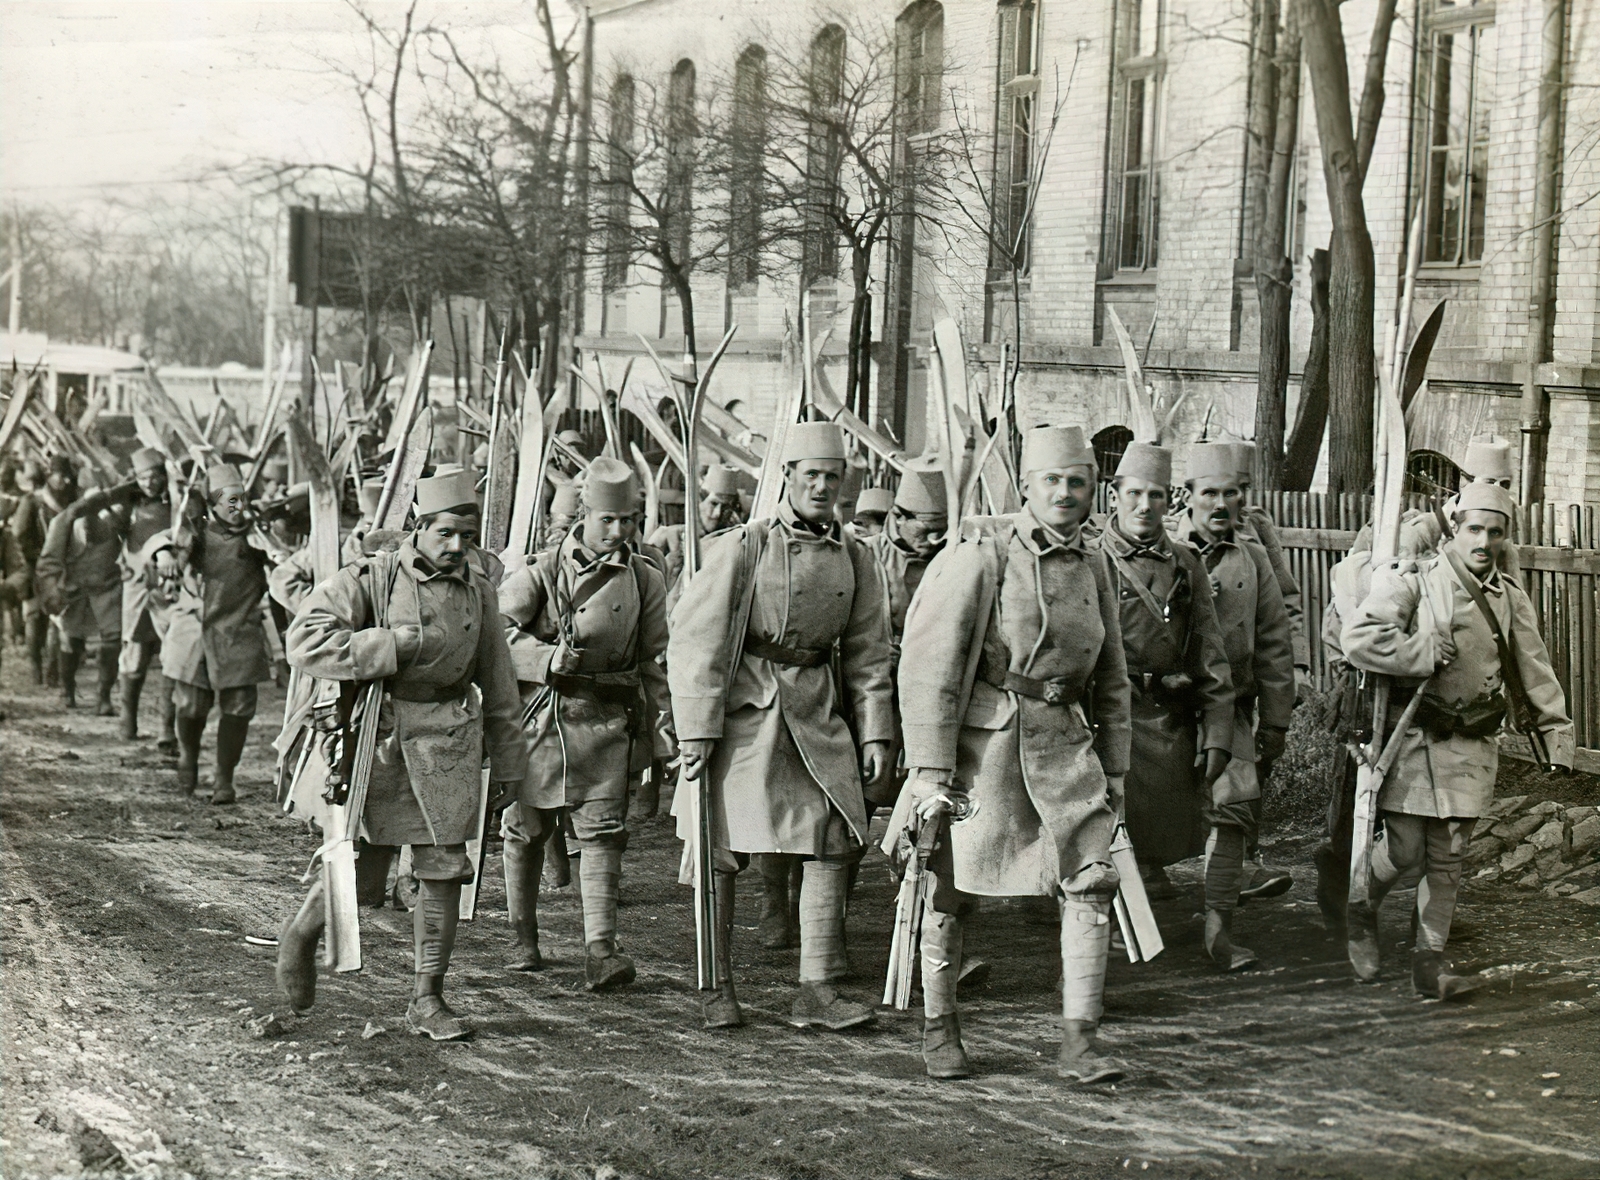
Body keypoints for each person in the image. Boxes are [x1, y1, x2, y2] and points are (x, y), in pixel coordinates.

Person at [893, 425, 1132, 1082]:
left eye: (1077, 481)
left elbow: (1112, 676)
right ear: (1027, 486)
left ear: (1092, 490)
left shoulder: (1096, 563)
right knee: (950, 888)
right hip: (987, 749)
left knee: (1091, 883)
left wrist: (1115, 766)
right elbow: (930, 666)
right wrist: (930, 771)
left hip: (1067, 747)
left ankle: (1080, 1041)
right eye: (1051, 480)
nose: (1065, 492)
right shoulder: (982, 555)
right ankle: (940, 1028)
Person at [277, 467, 527, 1039]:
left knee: (444, 869)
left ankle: (427, 997)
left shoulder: (479, 591)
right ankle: (301, 936)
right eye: (445, 534)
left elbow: (500, 680)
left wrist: (509, 762)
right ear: (420, 525)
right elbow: (305, 639)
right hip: (382, 740)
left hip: (452, 743)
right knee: (362, 875)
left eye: (466, 536)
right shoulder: (372, 576)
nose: (456, 547)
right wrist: (387, 645)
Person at [668, 421, 894, 1031]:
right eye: (811, 475)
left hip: (817, 714)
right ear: (788, 478)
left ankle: (815, 989)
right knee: (718, 846)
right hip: (745, 715)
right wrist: (696, 727)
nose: (822, 487)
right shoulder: (745, 546)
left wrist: (875, 732)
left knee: (833, 838)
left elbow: (871, 653)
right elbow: (696, 640)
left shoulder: (856, 556)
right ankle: (715, 986)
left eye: (833, 478)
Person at [1338, 482, 1573, 999]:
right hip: (1415, 734)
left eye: (1495, 532)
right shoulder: (1415, 581)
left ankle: (1429, 962)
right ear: (1455, 528)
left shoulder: (1509, 598)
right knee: (1403, 850)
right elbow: (1360, 639)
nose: (1483, 541)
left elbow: (1533, 668)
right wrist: (1422, 648)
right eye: (1474, 529)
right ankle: (1360, 909)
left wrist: (1556, 735)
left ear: (1505, 537)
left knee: (1449, 855)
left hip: (1473, 741)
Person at [498, 457, 672, 986]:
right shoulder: (542, 571)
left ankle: (601, 949)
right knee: (527, 830)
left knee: (604, 834)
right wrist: (545, 658)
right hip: (542, 723)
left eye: (629, 522)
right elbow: (493, 641)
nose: (618, 532)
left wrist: (663, 733)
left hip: (607, 722)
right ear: (584, 515)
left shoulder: (645, 578)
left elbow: (652, 662)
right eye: (607, 520)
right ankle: (523, 936)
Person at [1169, 443, 1295, 971]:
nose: (1220, 504)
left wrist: (1278, 717)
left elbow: (1273, 641)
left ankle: (1218, 932)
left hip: (1230, 708)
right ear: (1189, 497)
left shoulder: (1254, 558)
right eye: (1210, 493)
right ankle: (1115, 922)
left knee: (1233, 809)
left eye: (1231, 493)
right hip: (1160, 706)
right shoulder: (1160, 547)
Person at [1092, 442, 1234, 898]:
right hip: (1106, 712)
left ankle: (1147, 876)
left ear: (1170, 500)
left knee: (1160, 821)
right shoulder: (1092, 558)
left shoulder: (1185, 563)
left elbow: (1209, 650)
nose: (1143, 505)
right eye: (1133, 493)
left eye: (1155, 495)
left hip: (1166, 715)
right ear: (1114, 495)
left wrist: (1217, 734)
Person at [152, 463, 272, 803]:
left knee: (237, 709)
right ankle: (188, 757)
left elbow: (284, 556)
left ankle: (224, 778)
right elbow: (165, 539)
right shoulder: (195, 533)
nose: (239, 509)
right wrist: (163, 553)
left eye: (243, 500)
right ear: (213, 505)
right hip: (196, 630)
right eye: (231, 502)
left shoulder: (258, 536)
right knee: (190, 707)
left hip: (238, 630)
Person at [1224, 441, 1303, 902]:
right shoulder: (1174, 530)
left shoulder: (1257, 530)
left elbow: (1285, 601)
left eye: (1240, 488)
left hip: (1249, 675)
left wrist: (1300, 669)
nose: (1230, 500)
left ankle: (1244, 860)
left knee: (1249, 769)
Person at [34, 478, 125, 713]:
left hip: (107, 588)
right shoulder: (64, 523)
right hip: (74, 589)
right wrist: (52, 590)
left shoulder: (115, 521)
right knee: (72, 641)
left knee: (112, 640)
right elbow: (49, 559)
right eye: (89, 506)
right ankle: (68, 689)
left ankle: (103, 696)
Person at [118, 448, 177, 747]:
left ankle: (167, 730)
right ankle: (127, 723)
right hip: (138, 587)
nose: (150, 483)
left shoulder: (178, 505)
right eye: (143, 477)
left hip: (169, 587)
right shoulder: (127, 506)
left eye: (156, 476)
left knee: (173, 654)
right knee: (135, 653)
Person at [647, 463, 747, 590]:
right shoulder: (666, 537)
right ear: (698, 501)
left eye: (726, 507)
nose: (717, 514)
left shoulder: (732, 541)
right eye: (713, 503)